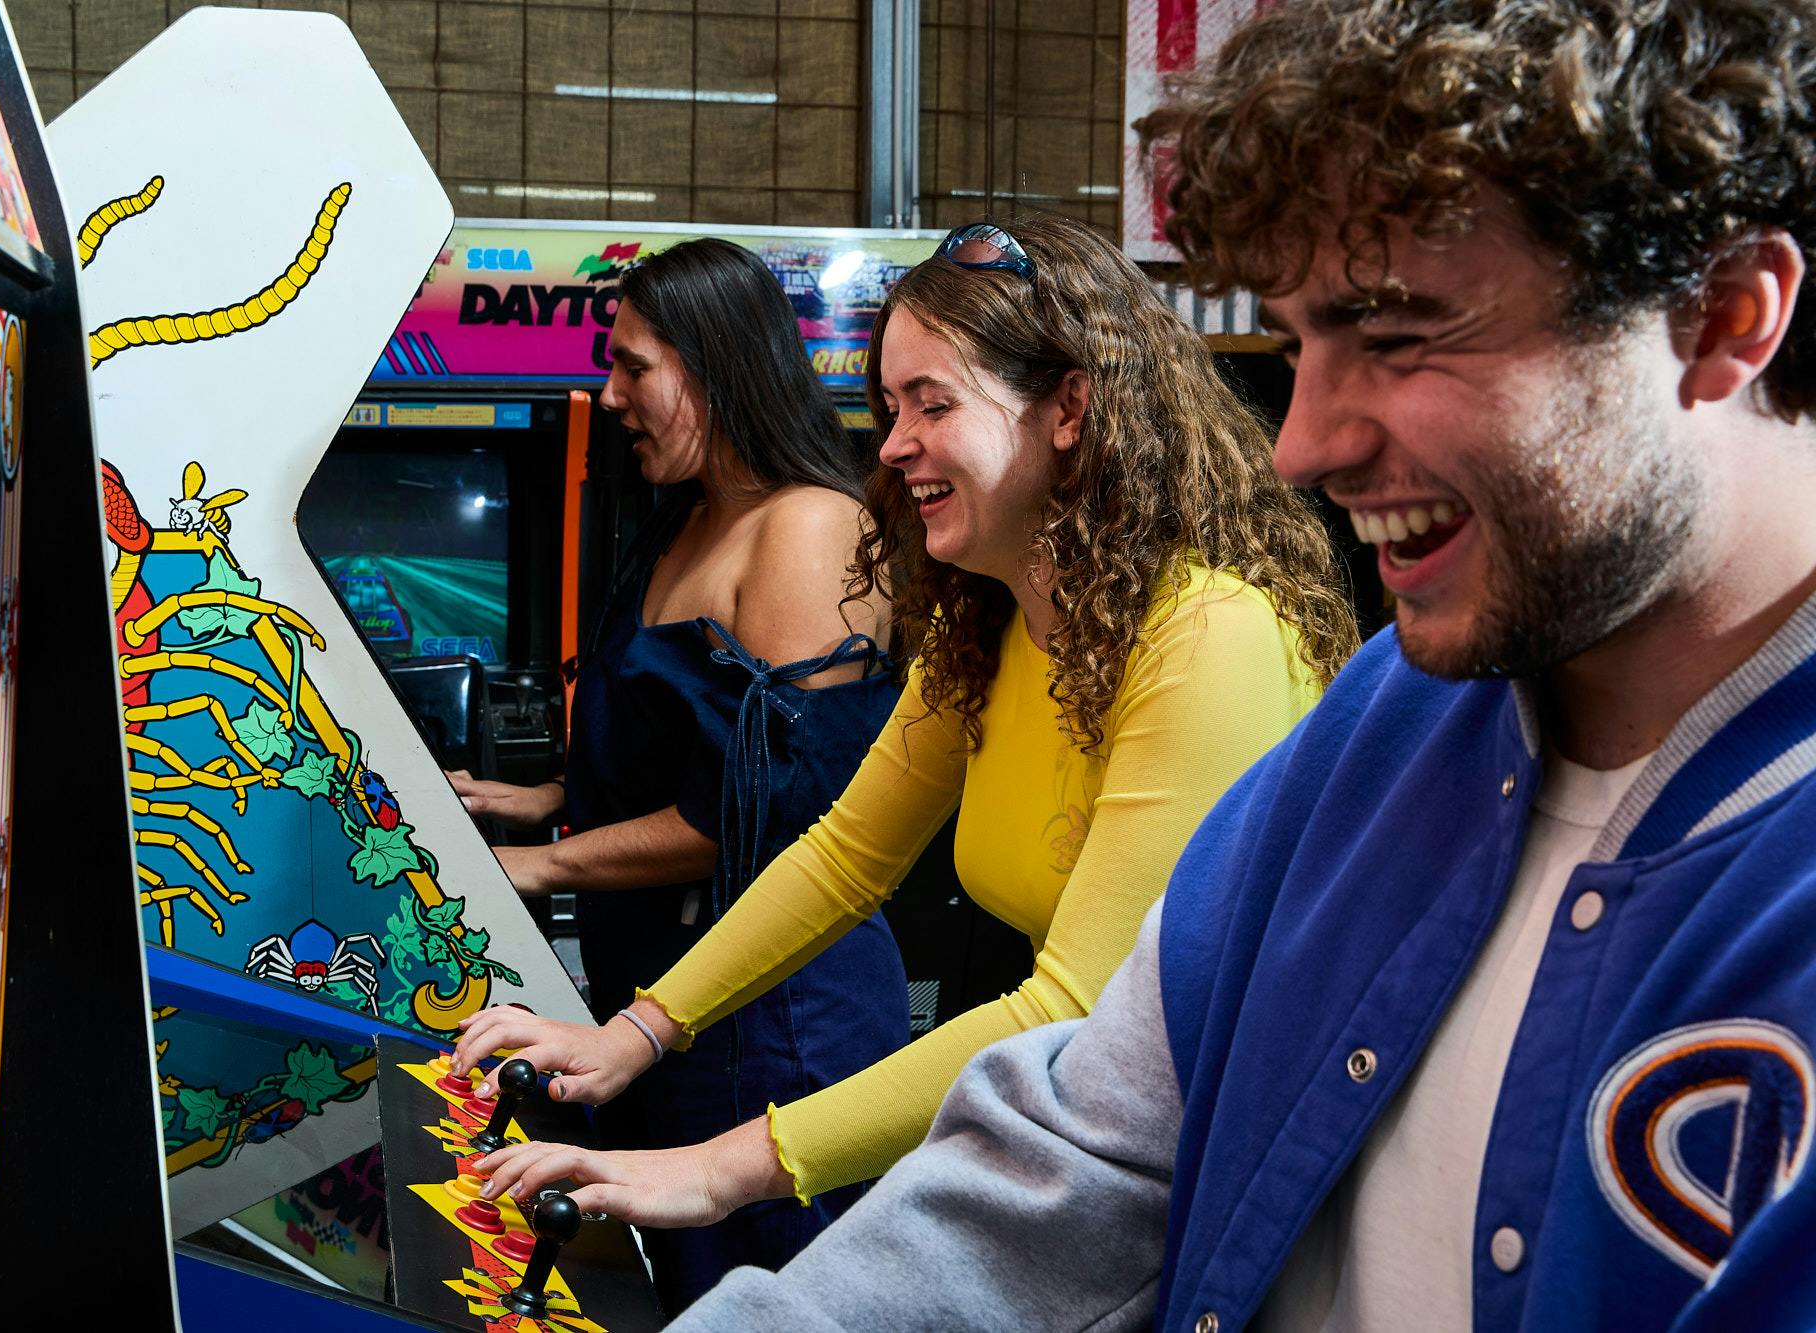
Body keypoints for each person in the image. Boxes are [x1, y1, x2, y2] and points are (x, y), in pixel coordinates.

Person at [646, 1, 1816, 1328]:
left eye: (1396, 334)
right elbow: (1088, 1146)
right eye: (1302, 341)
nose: (1300, 444)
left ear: (1722, 317)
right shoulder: (1383, 729)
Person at [455, 215, 1360, 1243]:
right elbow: (844, 855)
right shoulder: (990, 624)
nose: (891, 446)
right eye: (890, 406)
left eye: (931, 404)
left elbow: (1074, 1001)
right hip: (1101, 1132)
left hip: (1232, 1166)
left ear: (1068, 408)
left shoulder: (1207, 635)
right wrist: (635, 1033)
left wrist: (719, 1168)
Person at [447, 237, 915, 1311]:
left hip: (775, 1021)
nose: (607, 395)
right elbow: (685, 743)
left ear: (711, 366)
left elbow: (775, 808)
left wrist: (541, 861)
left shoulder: (810, 526)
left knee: (769, 1301)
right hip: (656, 1008)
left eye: (631, 367)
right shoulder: (688, 522)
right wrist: (536, 799)